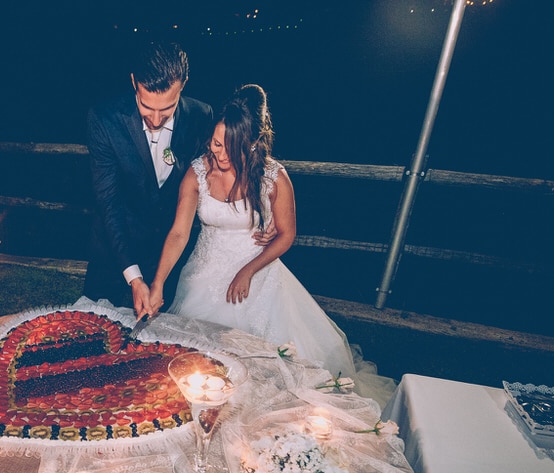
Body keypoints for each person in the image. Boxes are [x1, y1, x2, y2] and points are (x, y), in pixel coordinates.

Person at [146, 84, 358, 381]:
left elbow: (286, 234)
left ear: (254, 141)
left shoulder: (275, 178)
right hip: (204, 273)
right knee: (193, 363)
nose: (218, 153)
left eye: (229, 147)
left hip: (258, 275)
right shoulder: (197, 173)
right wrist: (158, 282)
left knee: (263, 370)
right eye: (215, 143)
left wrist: (248, 270)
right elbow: (179, 234)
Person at [83, 42, 214, 311]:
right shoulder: (104, 119)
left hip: (168, 255)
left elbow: (210, 176)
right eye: (146, 107)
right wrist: (133, 276)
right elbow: (109, 203)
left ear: (183, 84)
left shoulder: (202, 116)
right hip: (115, 252)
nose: (155, 119)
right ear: (134, 81)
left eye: (166, 109)